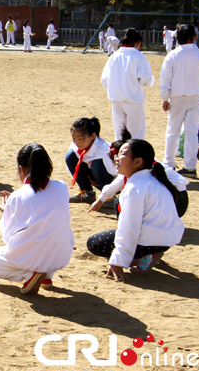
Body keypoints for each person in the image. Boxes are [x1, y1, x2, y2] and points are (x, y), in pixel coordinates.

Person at [86, 139, 185, 281]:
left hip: (150, 243)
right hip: (166, 241)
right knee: (118, 209)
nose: (116, 158)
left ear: (138, 162)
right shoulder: (152, 179)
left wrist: (117, 262)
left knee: (95, 243)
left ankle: (140, 258)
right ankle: (150, 254)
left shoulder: (135, 188)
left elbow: (129, 228)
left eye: (122, 154)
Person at [0, 144, 73, 294]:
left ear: (21, 169)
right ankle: (47, 276)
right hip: (61, 254)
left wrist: (7, 211)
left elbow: (7, 236)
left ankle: (29, 275)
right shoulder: (62, 187)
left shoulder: (18, 195)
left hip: (33, 254)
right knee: (49, 231)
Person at [159, 23, 199, 177]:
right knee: (192, 132)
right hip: (195, 97)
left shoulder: (173, 55)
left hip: (177, 96)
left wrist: (165, 98)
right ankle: (191, 166)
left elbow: (165, 78)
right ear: (194, 37)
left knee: (173, 131)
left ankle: (169, 164)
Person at [88, 133, 189, 218]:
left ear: (137, 160)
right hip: (179, 202)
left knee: (122, 200)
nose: (116, 161)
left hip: (174, 204)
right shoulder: (149, 166)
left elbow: (116, 184)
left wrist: (101, 200)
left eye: (121, 155)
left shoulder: (141, 172)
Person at [100, 28, 154, 141]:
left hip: (116, 100)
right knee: (136, 135)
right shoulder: (139, 57)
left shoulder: (114, 56)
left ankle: (120, 156)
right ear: (138, 43)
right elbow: (147, 79)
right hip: (134, 100)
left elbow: (104, 79)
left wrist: (115, 89)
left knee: (119, 134)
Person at [65, 116, 116, 203]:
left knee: (97, 164)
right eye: (73, 138)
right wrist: (87, 178)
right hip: (94, 177)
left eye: (80, 139)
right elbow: (74, 168)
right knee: (70, 156)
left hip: (112, 182)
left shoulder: (104, 151)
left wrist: (109, 191)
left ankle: (110, 198)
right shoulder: (75, 146)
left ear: (92, 136)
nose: (76, 142)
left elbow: (120, 175)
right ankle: (87, 192)